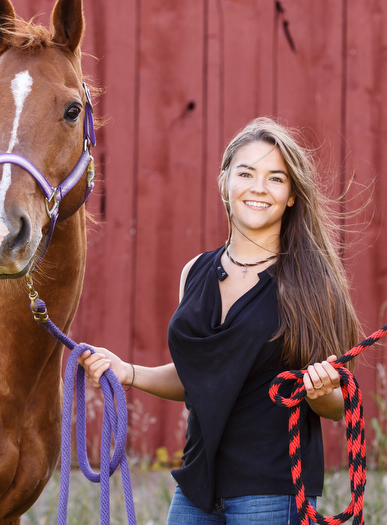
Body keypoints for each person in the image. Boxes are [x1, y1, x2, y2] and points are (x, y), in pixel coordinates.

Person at [79, 117, 362, 524]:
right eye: (246, 173)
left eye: (275, 178)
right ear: (226, 182)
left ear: (292, 196)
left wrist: (320, 393)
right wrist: (129, 373)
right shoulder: (194, 272)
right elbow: (203, 378)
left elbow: (337, 407)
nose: (259, 187)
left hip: (271, 489)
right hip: (197, 485)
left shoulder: (311, 282)